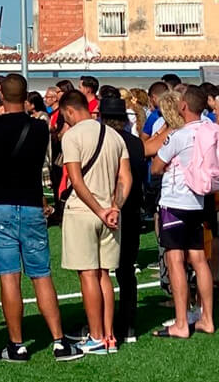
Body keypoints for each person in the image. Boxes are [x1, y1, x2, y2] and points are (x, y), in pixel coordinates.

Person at [0, 73, 84, 362]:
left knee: (9, 277)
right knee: (41, 275)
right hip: (31, 204)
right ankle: (59, 341)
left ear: (1, 97)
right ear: (26, 97)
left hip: (0, 204)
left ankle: (17, 344)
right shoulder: (38, 129)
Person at [58, 89, 132, 354]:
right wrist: (114, 207)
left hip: (84, 212)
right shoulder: (115, 137)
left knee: (88, 275)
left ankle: (97, 335)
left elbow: (75, 180)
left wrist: (100, 210)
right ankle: (109, 335)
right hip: (111, 214)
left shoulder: (72, 137)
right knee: (104, 275)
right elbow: (126, 178)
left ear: (69, 111)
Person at [151, 85, 216, 338]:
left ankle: (180, 322)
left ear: (183, 106)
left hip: (175, 201)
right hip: (199, 201)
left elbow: (156, 166)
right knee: (200, 260)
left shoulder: (179, 135)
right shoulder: (212, 131)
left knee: (175, 259)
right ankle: (207, 318)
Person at [98, 93, 145, 344]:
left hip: (108, 210)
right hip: (133, 210)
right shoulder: (135, 143)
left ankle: (101, 324)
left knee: (100, 270)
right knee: (126, 271)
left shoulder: (105, 142)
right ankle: (128, 323)